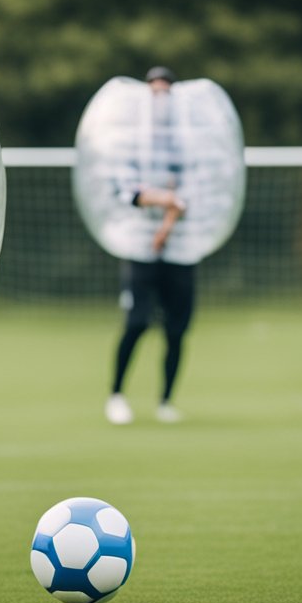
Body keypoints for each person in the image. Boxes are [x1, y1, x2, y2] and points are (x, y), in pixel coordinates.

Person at [104, 66, 194, 425]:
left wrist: (168, 224)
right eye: (154, 90)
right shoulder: (130, 144)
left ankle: (166, 400)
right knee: (137, 322)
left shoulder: (186, 144)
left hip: (180, 249)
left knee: (176, 329)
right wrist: (165, 201)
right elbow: (129, 193)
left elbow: (191, 192)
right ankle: (116, 394)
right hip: (140, 249)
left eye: (165, 90)